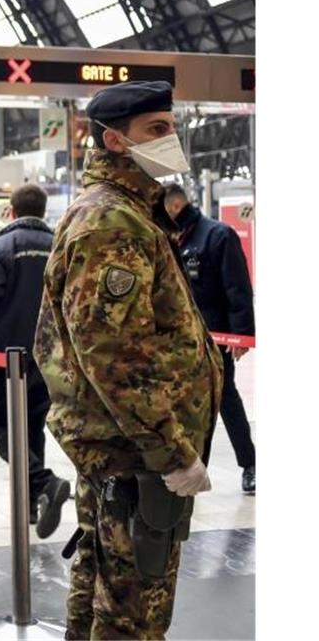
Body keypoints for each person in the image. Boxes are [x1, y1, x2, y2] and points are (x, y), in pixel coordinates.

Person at [33, 81, 223, 639]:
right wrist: (171, 452)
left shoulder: (128, 212)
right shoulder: (113, 222)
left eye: (170, 126)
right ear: (115, 141)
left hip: (121, 447)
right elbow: (114, 355)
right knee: (135, 610)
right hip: (135, 453)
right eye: (156, 130)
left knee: (103, 584)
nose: (172, 138)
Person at [0, 183, 69, 539]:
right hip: (46, 354)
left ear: (10, 210)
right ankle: (32, 501)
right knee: (32, 424)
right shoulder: (60, 245)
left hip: (3, 354)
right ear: (42, 210)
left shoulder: (0, 247)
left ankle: (44, 482)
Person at [164, 183, 256, 494]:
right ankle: (188, 467)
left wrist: (241, 334)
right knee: (179, 403)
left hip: (213, 339)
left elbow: (237, 288)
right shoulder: (166, 238)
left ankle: (250, 465)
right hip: (177, 342)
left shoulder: (216, 235)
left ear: (175, 206)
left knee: (225, 399)